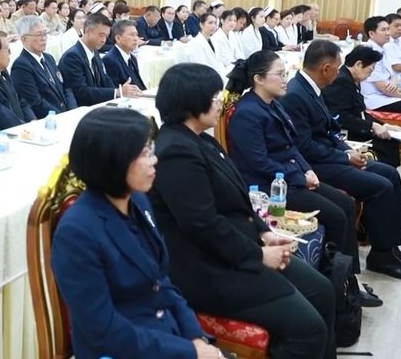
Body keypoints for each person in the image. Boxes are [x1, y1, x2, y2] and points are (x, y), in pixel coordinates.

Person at [151, 63, 336, 359]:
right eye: (213, 97)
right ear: (189, 101)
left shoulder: (201, 139)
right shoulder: (175, 151)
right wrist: (258, 255)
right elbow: (202, 225)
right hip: (208, 268)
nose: (220, 103)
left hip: (240, 247)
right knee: (307, 329)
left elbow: (238, 201)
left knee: (322, 290)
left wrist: (265, 234)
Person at [51, 107, 221, 359]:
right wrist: (189, 351)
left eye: (150, 148)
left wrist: (195, 336)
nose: (154, 160)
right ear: (112, 160)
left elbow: (161, 280)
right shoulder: (77, 232)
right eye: (144, 153)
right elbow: (103, 331)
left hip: (164, 337)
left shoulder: (139, 201)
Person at [281, 40, 401, 280]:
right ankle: (381, 257)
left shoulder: (312, 87)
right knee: (380, 186)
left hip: (329, 155)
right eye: (337, 68)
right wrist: (344, 156)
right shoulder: (296, 94)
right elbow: (305, 147)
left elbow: (330, 129)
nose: (339, 73)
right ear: (325, 68)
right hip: (315, 165)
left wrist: (347, 150)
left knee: (389, 173)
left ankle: (390, 248)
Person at [226, 51, 361, 281]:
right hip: (268, 187)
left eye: (285, 74)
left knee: (346, 204)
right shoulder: (247, 113)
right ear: (258, 79)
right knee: (336, 216)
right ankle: (335, 278)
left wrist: (307, 169)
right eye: (279, 74)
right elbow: (258, 162)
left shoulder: (273, 104)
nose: (285, 79)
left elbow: (291, 145)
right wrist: (299, 177)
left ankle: (349, 277)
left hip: (289, 177)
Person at [324, 46, 401, 169]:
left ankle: (389, 174)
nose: (370, 75)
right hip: (345, 132)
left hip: (356, 127)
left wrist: (383, 125)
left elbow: (360, 112)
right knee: (386, 146)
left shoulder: (352, 80)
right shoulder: (341, 82)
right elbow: (341, 117)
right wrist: (372, 126)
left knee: (391, 140)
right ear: (358, 65)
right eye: (370, 70)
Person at [360, 16, 401, 160]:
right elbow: (382, 87)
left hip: (387, 95)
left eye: (388, 29)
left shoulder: (383, 49)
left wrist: (394, 84)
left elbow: (392, 75)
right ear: (371, 33)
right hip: (375, 99)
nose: (388, 33)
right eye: (383, 30)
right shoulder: (368, 53)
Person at [60, 13, 139, 106]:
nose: (104, 40)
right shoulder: (72, 57)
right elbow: (80, 92)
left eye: (106, 36)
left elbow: (105, 79)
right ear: (88, 31)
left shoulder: (95, 52)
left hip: (99, 105)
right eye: (101, 35)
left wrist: (119, 92)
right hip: (82, 108)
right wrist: (117, 92)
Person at [11, 15, 75, 119]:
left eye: (45, 33)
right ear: (24, 39)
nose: (44, 38)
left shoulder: (49, 58)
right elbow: (35, 102)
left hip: (66, 114)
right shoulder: (21, 66)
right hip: (49, 119)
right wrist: (62, 117)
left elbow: (66, 87)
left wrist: (73, 110)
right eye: (39, 35)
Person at [103, 19, 147, 91]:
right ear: (118, 38)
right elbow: (114, 90)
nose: (136, 38)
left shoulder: (132, 58)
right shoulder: (109, 60)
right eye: (131, 35)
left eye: (136, 35)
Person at [187, 13, 228, 79]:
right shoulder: (195, 43)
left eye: (215, 23)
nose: (213, 26)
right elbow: (200, 67)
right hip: (206, 78)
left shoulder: (213, 41)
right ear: (201, 25)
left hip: (219, 74)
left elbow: (219, 61)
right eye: (210, 23)